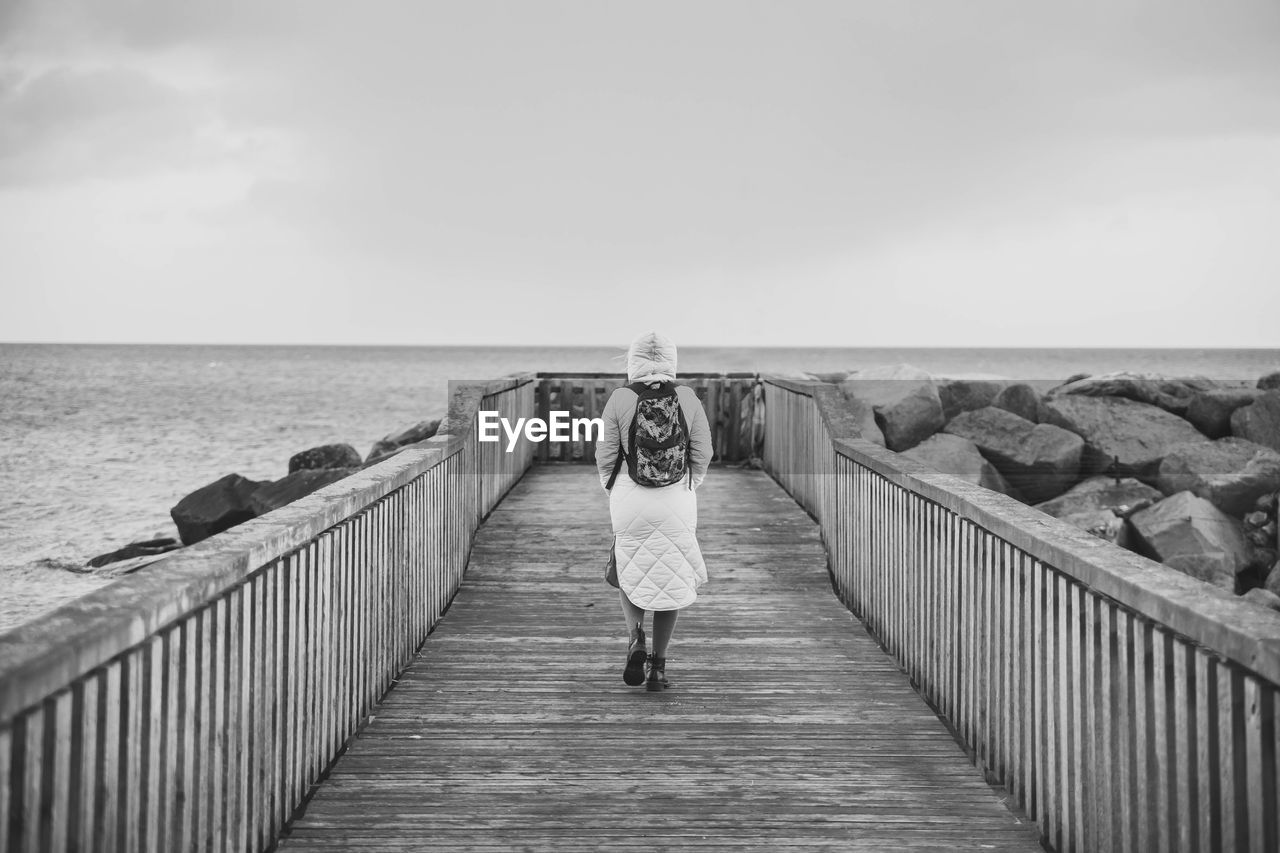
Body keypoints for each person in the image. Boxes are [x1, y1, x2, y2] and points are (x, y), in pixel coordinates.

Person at [596, 331, 713, 691]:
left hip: (631, 497)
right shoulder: (687, 398)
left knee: (630, 567)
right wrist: (689, 485)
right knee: (670, 576)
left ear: (632, 364)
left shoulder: (619, 398)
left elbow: (605, 454)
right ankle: (658, 668)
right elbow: (703, 452)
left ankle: (635, 639)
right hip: (676, 496)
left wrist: (613, 488)